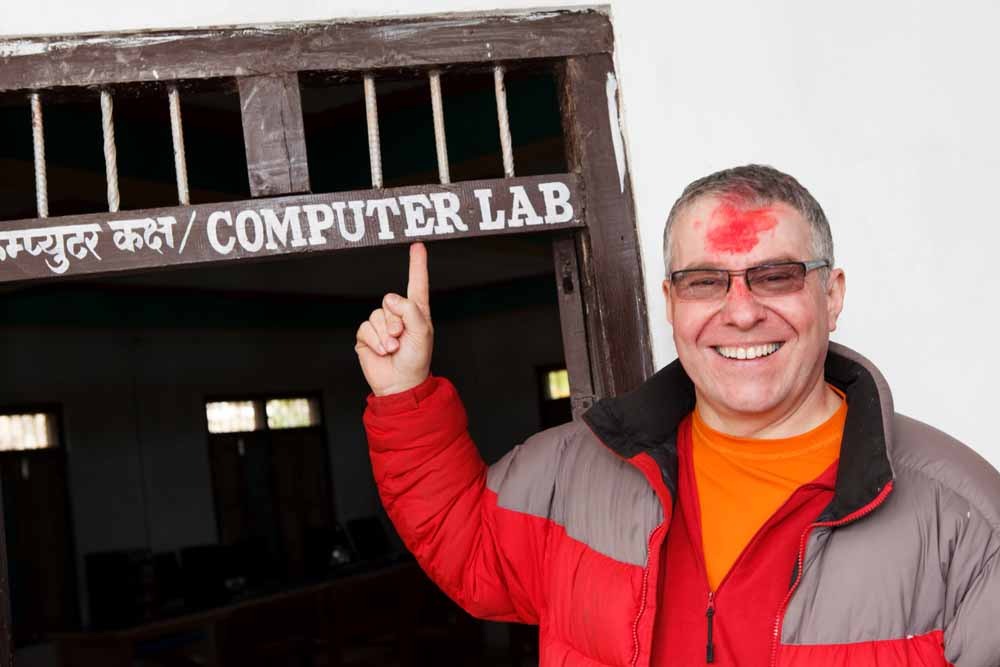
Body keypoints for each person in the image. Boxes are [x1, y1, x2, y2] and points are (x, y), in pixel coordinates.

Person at [355, 165, 1000, 666]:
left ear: (831, 296)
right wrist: (404, 396)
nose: (741, 312)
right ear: (670, 303)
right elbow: (469, 545)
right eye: (705, 281)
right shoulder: (578, 472)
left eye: (774, 276)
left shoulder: (963, 517)